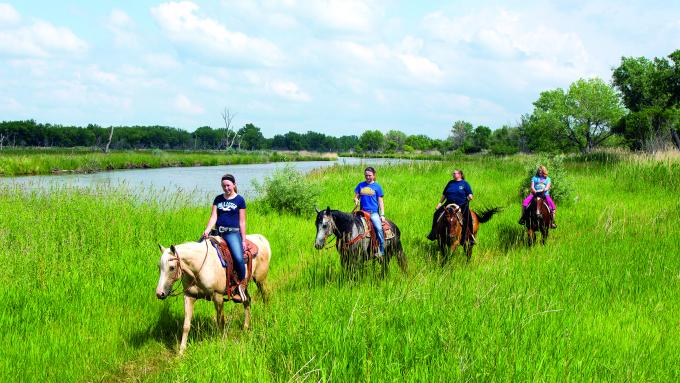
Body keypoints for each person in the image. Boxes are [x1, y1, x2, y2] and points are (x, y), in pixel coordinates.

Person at [203, 173, 248, 301]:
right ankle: (204, 285)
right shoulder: (218, 199)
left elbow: (242, 222)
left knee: (239, 258)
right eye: (223, 186)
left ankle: (241, 285)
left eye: (228, 185)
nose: (226, 188)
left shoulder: (240, 200)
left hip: (233, 233)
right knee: (201, 248)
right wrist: (207, 230)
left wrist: (243, 240)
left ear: (234, 185)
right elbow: (214, 217)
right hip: (218, 232)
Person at [427, 169, 474, 243]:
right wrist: (439, 203)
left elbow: (471, 196)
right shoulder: (450, 183)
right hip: (449, 204)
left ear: (460, 174)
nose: (453, 174)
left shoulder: (465, 184)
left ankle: (470, 237)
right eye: (453, 173)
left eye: (455, 173)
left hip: (461, 205)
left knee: (468, 218)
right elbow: (444, 194)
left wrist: (468, 198)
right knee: (436, 214)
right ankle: (433, 233)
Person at [354, 166, 385, 258]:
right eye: (366, 175)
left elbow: (380, 201)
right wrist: (356, 200)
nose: (367, 177)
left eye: (369, 175)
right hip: (361, 212)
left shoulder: (377, 187)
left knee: (379, 228)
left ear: (374, 175)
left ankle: (381, 250)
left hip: (373, 213)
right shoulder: (360, 185)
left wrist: (382, 214)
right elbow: (356, 196)